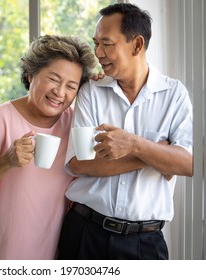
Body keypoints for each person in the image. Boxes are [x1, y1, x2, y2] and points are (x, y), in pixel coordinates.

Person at [58, 3, 193, 260]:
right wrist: (158, 154)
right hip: (86, 233)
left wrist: (134, 144)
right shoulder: (91, 91)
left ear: (137, 45)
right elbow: (80, 163)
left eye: (107, 44)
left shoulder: (174, 95)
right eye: (96, 43)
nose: (98, 52)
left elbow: (188, 164)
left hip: (146, 243)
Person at [0, 34, 97, 259]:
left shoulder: (76, 124)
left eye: (71, 86)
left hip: (51, 248)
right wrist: (6, 160)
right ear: (31, 74)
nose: (60, 92)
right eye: (53, 79)